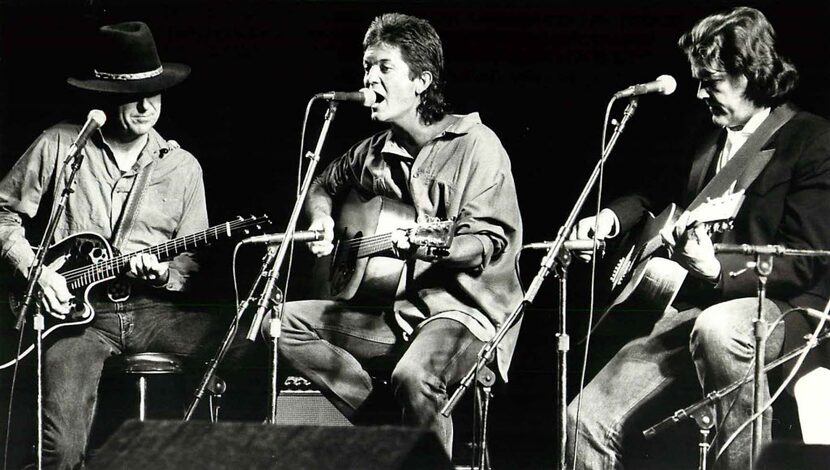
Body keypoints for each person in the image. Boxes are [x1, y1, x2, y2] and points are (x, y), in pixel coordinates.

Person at [567, 6, 830, 469]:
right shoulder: (705, 138)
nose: (700, 93)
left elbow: (805, 260)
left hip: (784, 311)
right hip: (695, 308)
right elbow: (653, 192)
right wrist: (608, 220)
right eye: (698, 80)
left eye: (711, 81)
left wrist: (713, 269)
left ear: (750, 75)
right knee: (581, 421)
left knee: (720, 328)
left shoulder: (809, 139)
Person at [0, 22, 257, 469]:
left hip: (152, 311)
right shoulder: (61, 143)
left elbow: (189, 259)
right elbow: (3, 212)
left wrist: (166, 274)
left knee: (253, 348)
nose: (145, 107)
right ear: (103, 95)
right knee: (59, 452)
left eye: (154, 93)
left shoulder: (182, 167)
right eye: (131, 96)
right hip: (79, 319)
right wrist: (34, 269)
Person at [276, 12, 523, 456]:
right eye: (367, 67)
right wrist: (322, 220)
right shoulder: (373, 151)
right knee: (281, 323)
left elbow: (487, 242)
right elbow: (321, 184)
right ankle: (389, 427)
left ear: (422, 81)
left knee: (414, 376)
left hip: (465, 313)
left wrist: (436, 245)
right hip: (396, 311)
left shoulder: (476, 143)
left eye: (383, 67)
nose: (369, 78)